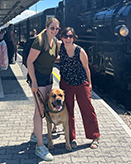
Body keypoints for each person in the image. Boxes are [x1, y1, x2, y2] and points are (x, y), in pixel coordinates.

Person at [57, 27, 100, 150]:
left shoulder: (80, 51)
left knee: (87, 109)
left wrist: (89, 84)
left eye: (70, 36)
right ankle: (71, 138)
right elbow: (48, 37)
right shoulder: (60, 48)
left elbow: (87, 68)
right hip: (66, 84)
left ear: (74, 38)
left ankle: (94, 136)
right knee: (68, 112)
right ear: (62, 38)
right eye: (65, 36)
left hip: (81, 83)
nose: (68, 39)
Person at [26, 18, 60, 161]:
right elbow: (29, 61)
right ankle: (39, 146)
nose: (54, 30)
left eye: (57, 28)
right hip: (38, 78)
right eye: (52, 28)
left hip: (48, 77)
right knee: (40, 111)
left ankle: (35, 135)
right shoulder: (39, 41)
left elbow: (54, 58)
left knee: (41, 108)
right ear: (46, 27)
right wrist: (33, 81)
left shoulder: (55, 41)